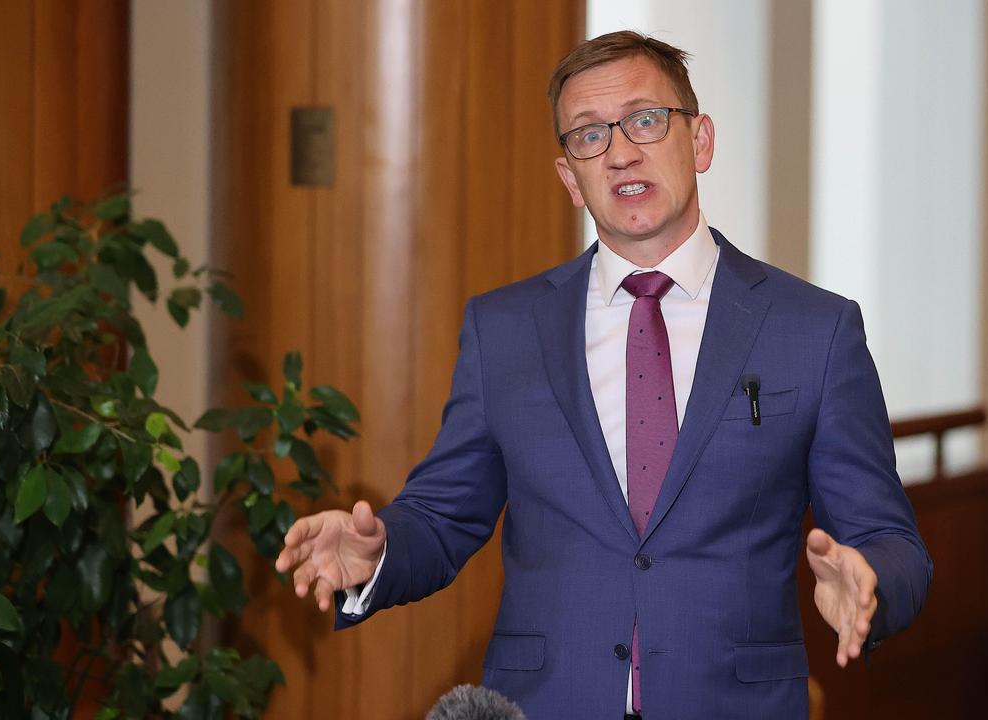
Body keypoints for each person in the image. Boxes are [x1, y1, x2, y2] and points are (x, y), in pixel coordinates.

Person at [274, 30, 931, 719]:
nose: (620, 152)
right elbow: (443, 515)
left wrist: (872, 583)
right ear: (570, 177)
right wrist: (377, 555)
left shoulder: (814, 330)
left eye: (646, 120)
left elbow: (893, 542)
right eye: (589, 136)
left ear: (701, 141)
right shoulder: (504, 329)